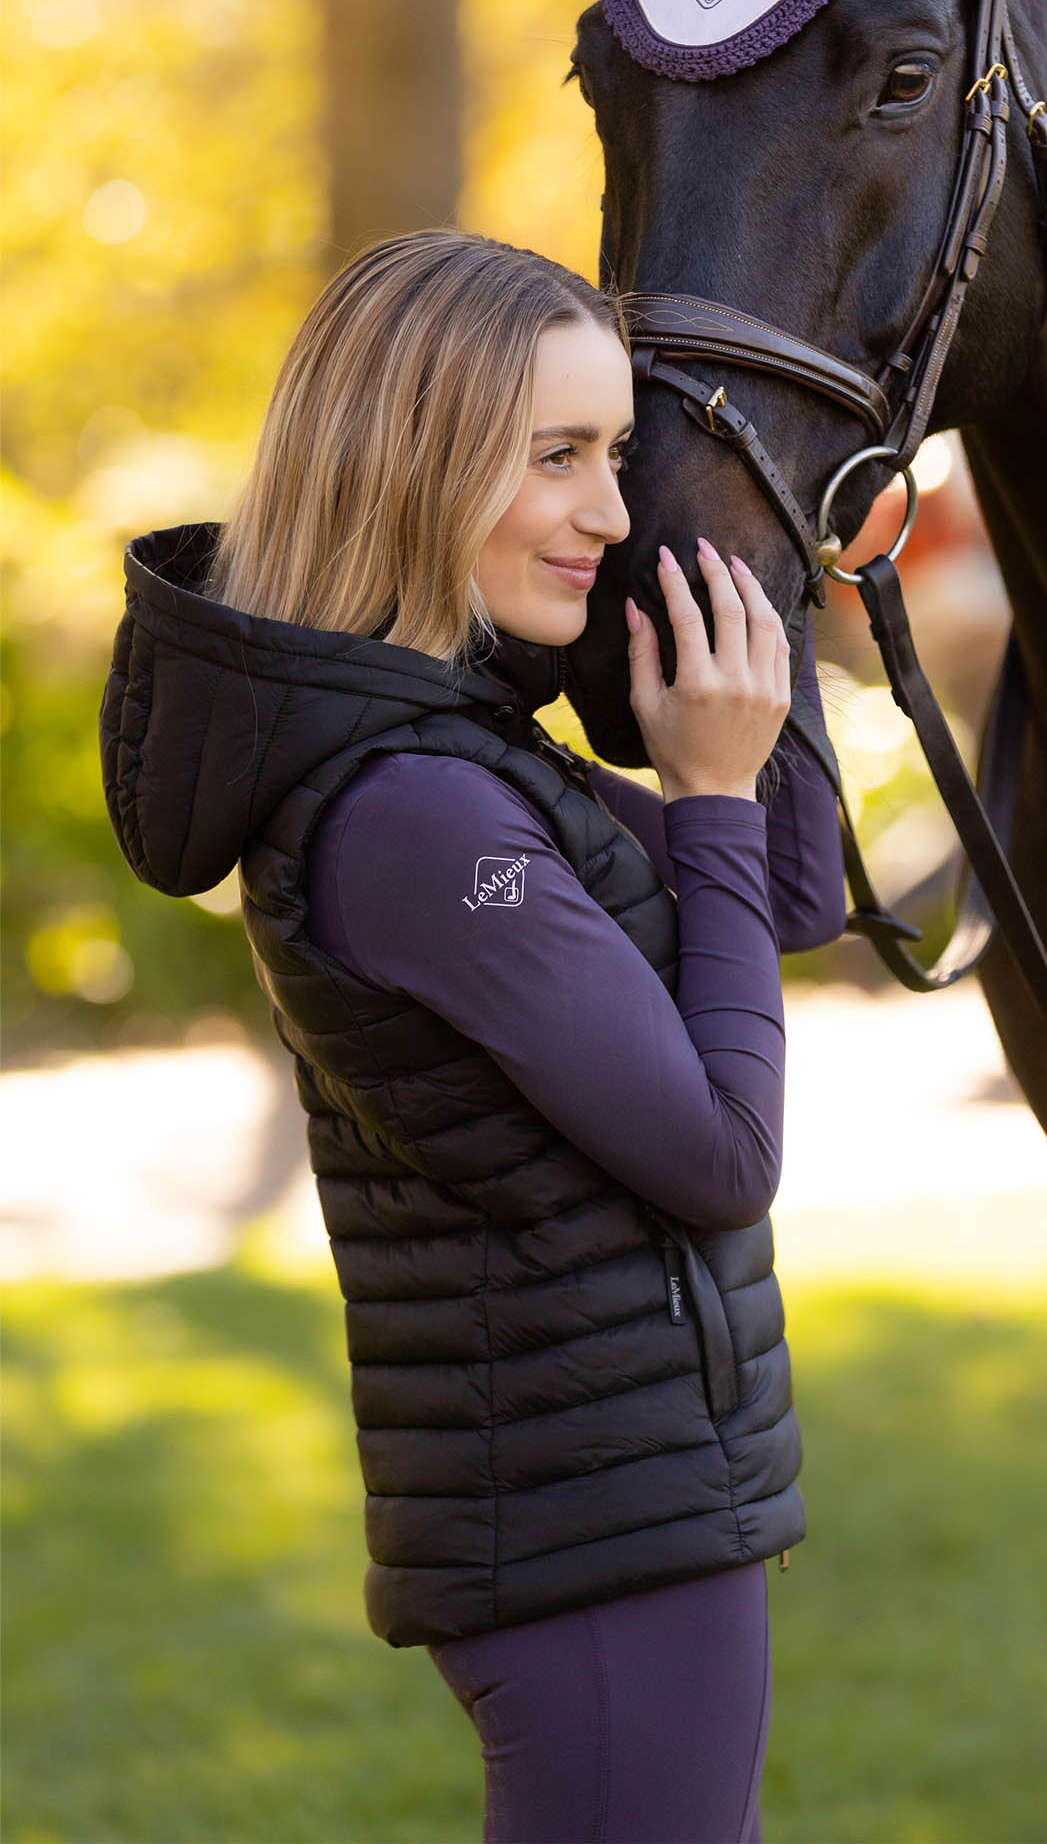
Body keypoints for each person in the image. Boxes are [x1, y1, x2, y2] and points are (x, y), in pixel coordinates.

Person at [100, 229, 847, 1844]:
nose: (608, 507)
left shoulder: (462, 751)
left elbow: (792, 895)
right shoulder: (417, 812)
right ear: (413, 467)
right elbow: (723, 1158)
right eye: (558, 457)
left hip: (622, 1508)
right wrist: (705, 787)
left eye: (621, 457)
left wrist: (736, 593)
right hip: (589, 1535)